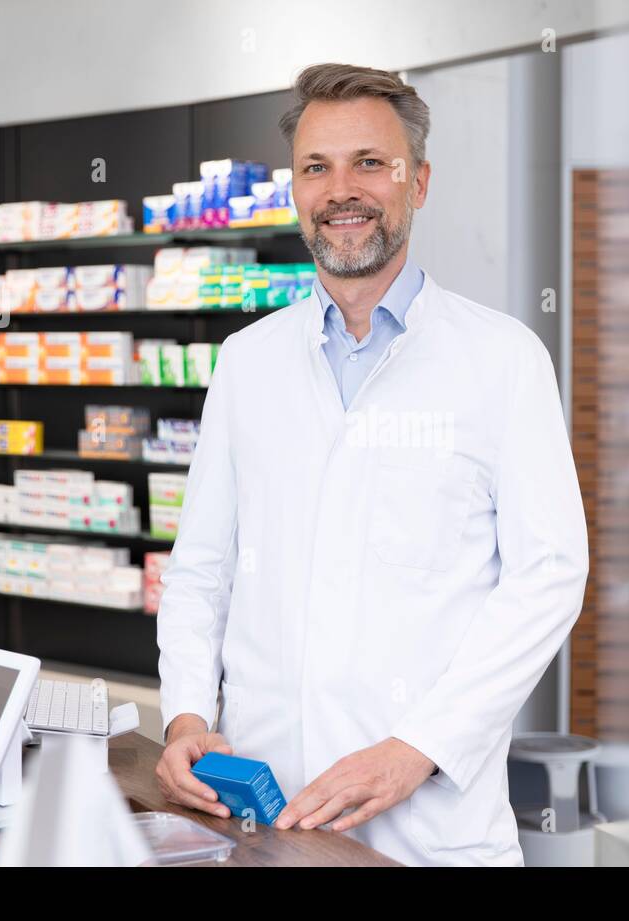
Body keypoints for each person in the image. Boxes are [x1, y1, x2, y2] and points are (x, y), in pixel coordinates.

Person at [155, 62, 588, 866]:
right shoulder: (247, 363)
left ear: (418, 183)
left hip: (431, 830)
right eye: (317, 167)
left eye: (369, 163)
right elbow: (199, 571)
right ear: (295, 189)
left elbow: (549, 578)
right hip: (263, 813)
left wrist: (418, 746)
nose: (340, 189)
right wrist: (185, 715)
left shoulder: (503, 360)